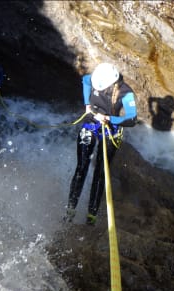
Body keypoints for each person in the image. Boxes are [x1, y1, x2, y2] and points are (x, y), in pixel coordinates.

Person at [65, 63, 137, 225]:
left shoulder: (125, 92)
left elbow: (132, 119)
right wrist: (87, 105)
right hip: (92, 122)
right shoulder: (95, 78)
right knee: (81, 167)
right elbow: (85, 80)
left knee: (100, 172)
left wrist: (110, 119)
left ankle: (91, 216)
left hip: (110, 129)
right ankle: (70, 210)